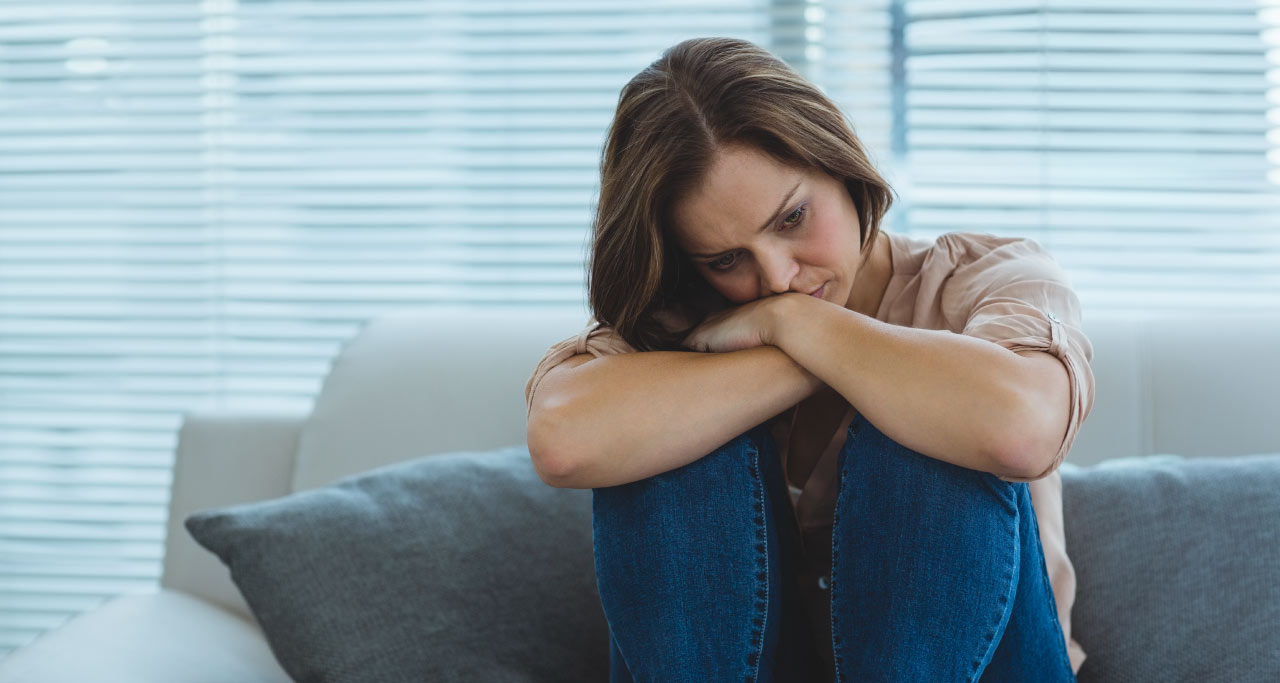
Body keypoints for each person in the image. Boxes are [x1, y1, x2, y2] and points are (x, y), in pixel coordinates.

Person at [524, 36, 1094, 682]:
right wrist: (804, 354)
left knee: (933, 428)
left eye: (792, 217)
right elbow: (563, 439)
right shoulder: (690, 320)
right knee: (668, 444)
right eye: (726, 259)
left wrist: (795, 325)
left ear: (840, 164)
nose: (777, 278)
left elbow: (1020, 428)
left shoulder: (986, 278)